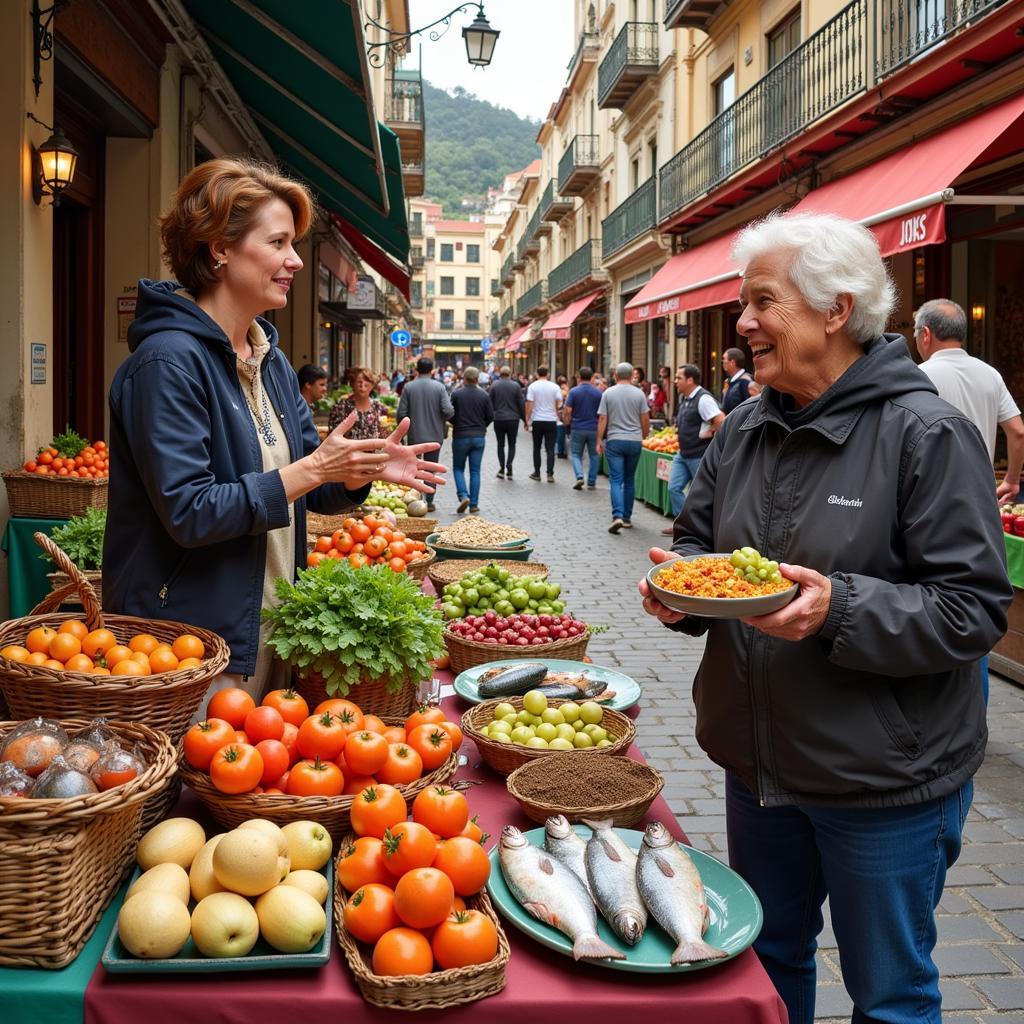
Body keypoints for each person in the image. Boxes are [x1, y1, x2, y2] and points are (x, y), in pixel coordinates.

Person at [638, 211, 1011, 1024]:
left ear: (837, 310)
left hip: (885, 782)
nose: (742, 323)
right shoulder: (742, 430)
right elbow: (698, 541)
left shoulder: (927, 433)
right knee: (768, 968)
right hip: (758, 767)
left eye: (762, 302)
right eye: (744, 303)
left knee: (891, 995)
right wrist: (682, 594)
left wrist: (838, 607)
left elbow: (974, 608)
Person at [103, 157, 445, 705]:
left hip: (272, 628)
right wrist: (313, 468)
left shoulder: (270, 359)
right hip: (192, 643)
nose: (295, 262)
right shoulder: (166, 365)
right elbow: (190, 512)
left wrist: (361, 470)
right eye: (279, 243)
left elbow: (309, 480)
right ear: (219, 248)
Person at [915, 299, 1024, 505]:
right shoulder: (991, 374)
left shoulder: (918, 376)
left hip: (934, 498)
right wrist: (1012, 480)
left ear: (926, 334)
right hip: (983, 494)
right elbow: (1018, 432)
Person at [662, 364, 724, 535]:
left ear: (690, 380)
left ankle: (693, 530)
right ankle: (682, 525)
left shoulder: (703, 399)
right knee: (673, 488)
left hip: (698, 455)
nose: (675, 381)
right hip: (683, 454)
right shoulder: (686, 398)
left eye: (678, 378)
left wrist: (710, 434)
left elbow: (720, 420)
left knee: (699, 494)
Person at [596, 362, 650, 533]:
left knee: (616, 480)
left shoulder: (608, 393)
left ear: (615, 376)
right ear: (632, 375)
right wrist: (644, 435)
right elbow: (645, 418)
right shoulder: (639, 394)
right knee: (629, 480)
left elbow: (603, 419)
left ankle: (617, 515)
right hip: (634, 440)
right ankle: (627, 518)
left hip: (615, 440)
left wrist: (599, 439)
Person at [397, 356, 454, 512]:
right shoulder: (440, 387)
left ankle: (417, 499)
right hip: (435, 436)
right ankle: (429, 501)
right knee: (431, 468)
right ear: (432, 370)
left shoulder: (409, 387)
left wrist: (401, 435)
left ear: (416, 369)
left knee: (413, 467)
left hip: (415, 436)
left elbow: (401, 413)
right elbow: (448, 411)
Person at [449, 365, 493, 514]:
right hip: (479, 437)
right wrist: (481, 427)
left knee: (458, 468)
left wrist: (456, 424)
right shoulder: (484, 395)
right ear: (477, 379)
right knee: (475, 471)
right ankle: (474, 504)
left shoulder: (456, 394)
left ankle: (463, 495)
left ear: (464, 378)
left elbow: (450, 414)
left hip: (461, 436)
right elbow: (490, 416)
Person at [564, 365, 603, 491]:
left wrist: (567, 422)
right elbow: (602, 413)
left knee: (576, 454)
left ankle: (579, 476)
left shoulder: (574, 392)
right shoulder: (598, 393)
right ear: (592, 377)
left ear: (579, 377)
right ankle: (591, 482)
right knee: (594, 455)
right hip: (593, 428)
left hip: (577, 427)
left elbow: (568, 410)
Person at [328, 367, 390, 439]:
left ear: (373, 385)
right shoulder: (341, 408)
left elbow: (385, 434)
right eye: (359, 382)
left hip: (374, 449)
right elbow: (333, 437)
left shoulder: (378, 407)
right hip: (349, 449)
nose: (363, 386)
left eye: (367, 381)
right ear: (352, 384)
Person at [525, 366, 563, 482]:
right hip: (551, 420)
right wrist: (555, 410)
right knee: (550, 448)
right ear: (548, 374)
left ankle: (537, 473)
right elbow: (559, 401)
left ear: (537, 374)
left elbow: (530, 404)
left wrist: (527, 419)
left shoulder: (533, 386)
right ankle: (550, 474)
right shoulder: (555, 386)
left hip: (537, 420)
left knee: (536, 447)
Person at [490, 364, 526, 478]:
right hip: (513, 419)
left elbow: (489, 402)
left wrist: (490, 416)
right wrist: (524, 419)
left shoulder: (494, 385)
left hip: (499, 418)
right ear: (510, 374)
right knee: (512, 444)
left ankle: (501, 469)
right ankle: (509, 466)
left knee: (500, 445)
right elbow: (521, 403)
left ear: (500, 374)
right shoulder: (516, 386)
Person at [721, 347, 754, 413]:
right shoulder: (729, 381)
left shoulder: (746, 382)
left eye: (724, 359)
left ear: (732, 362)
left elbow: (751, 408)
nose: (722, 362)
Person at [555, 374, 570, 458]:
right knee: (562, 434)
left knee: (560, 433)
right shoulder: (565, 391)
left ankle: (560, 450)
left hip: (559, 414)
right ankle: (561, 451)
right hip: (563, 414)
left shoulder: (557, 390)